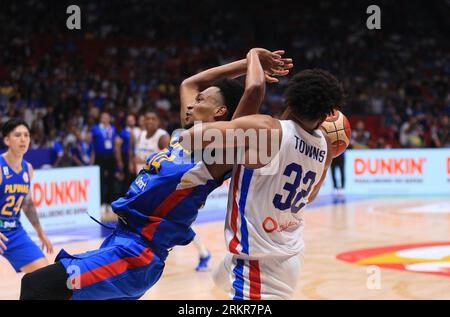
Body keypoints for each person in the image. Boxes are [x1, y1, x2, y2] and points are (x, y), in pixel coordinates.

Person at [19, 48, 292, 300]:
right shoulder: (185, 136)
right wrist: (245, 64)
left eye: (201, 100)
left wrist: (254, 54)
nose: (191, 103)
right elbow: (189, 83)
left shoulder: (219, 153)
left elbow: (254, 88)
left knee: (37, 285)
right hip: (119, 241)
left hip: (137, 254)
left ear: (220, 112)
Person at [179, 68, 345, 300]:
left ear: (290, 99)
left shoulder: (267, 129)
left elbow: (190, 137)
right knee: (220, 277)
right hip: (291, 252)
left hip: (258, 264)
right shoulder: (325, 146)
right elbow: (310, 197)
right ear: (327, 112)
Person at [0, 119, 54, 274]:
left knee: (46, 277)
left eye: (26, 135)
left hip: (13, 232)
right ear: (7, 140)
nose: (23, 139)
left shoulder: (28, 169)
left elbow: (27, 203)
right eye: (17, 135)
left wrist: (40, 232)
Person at [91, 111, 116, 213]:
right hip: (99, 156)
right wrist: (92, 158)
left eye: (107, 117)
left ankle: (109, 203)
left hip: (110, 156)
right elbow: (92, 143)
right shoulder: (95, 128)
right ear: (100, 118)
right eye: (103, 117)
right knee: (100, 180)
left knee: (110, 180)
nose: (105, 119)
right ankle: (101, 203)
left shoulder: (113, 129)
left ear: (109, 118)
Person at [133, 110, 170, 175]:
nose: (150, 121)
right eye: (147, 119)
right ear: (144, 121)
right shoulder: (141, 134)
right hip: (141, 177)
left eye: (153, 119)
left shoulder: (163, 137)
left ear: (158, 121)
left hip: (154, 178)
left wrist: (143, 162)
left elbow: (168, 162)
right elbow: (136, 155)